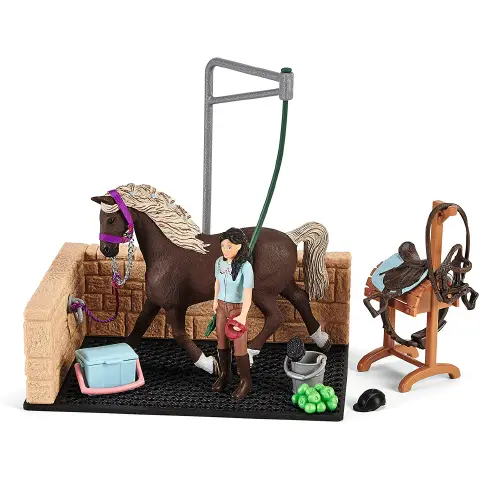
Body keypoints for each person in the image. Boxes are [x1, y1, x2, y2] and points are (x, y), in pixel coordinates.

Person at [212, 227, 254, 400]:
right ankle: (225, 374)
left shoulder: (246, 267)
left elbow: (248, 293)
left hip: (237, 308)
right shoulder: (219, 263)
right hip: (222, 306)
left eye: (229, 246)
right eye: (223, 246)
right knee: (222, 342)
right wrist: (215, 300)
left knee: (239, 346)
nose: (225, 250)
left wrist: (243, 314)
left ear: (239, 246)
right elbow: (217, 282)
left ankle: (245, 381)